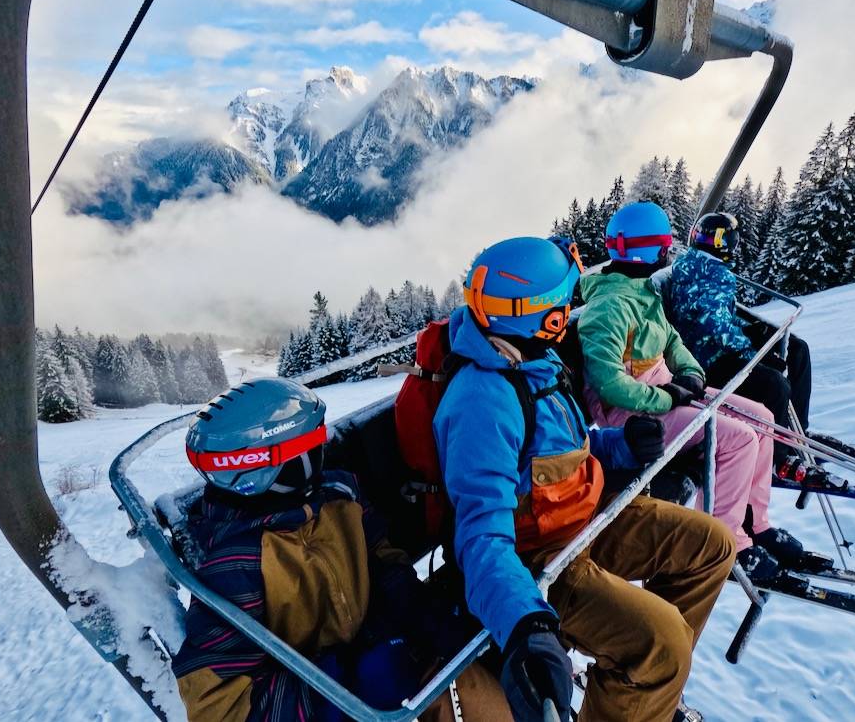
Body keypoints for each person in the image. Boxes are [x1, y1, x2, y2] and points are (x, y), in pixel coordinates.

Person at [435, 236, 736, 722]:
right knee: (663, 643)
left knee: (712, 546)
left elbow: (565, 446)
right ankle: (648, 671)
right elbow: (481, 538)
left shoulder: (535, 358)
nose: (571, 310)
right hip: (542, 557)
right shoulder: (483, 402)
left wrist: (620, 446)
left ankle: (638, 688)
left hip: (588, 513)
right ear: (545, 317)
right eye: (563, 303)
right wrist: (525, 624)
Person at [172, 377, 507, 722]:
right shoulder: (236, 567)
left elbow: (379, 555)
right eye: (312, 445)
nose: (324, 449)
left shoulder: (336, 495)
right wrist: (340, 683)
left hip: (393, 665)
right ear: (271, 465)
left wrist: (417, 611)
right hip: (333, 704)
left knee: (479, 693)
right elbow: (218, 707)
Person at [578, 201, 806, 582]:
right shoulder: (610, 307)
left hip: (661, 393)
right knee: (737, 439)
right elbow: (610, 386)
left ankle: (756, 522)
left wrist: (692, 375)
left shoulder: (642, 292)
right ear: (651, 251)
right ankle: (723, 542)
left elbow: (672, 342)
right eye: (666, 247)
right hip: (632, 415)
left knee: (763, 419)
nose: (670, 253)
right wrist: (668, 396)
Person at [659, 212, 855, 471]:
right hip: (705, 362)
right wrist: (752, 353)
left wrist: (752, 333)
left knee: (797, 350)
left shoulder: (705, 268)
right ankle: (778, 458)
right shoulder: (706, 274)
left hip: (714, 349)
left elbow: (719, 318)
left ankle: (794, 433)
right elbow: (712, 329)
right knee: (775, 384)